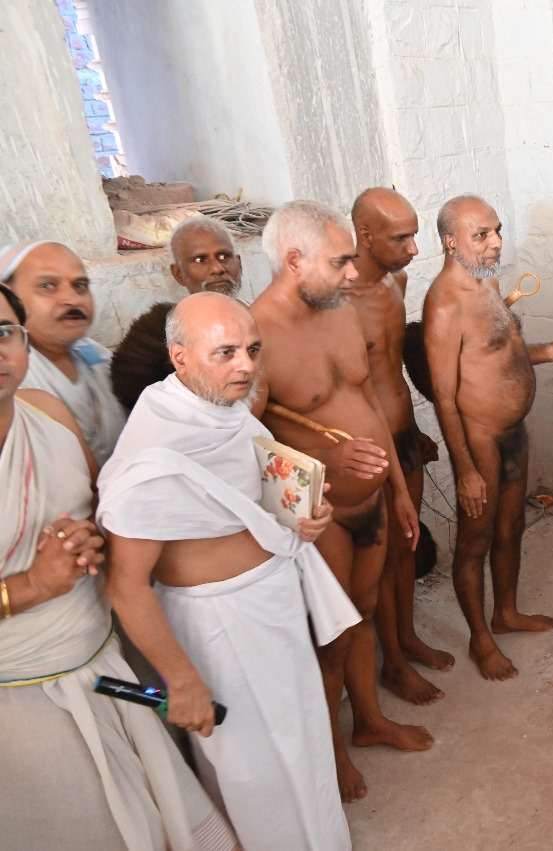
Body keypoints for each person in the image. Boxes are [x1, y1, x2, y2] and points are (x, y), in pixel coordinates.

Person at [100, 292, 355, 850]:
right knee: (252, 767)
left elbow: (256, 498)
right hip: (218, 626)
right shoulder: (151, 455)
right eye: (225, 352)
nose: (245, 365)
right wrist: (181, 680)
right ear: (180, 356)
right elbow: (126, 586)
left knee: (303, 736)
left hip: (274, 603)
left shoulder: (227, 410)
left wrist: (304, 517)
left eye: (252, 349)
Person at [0, 284, 237, 851]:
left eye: (4, 332)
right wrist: (31, 585)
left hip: (102, 666)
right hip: (19, 697)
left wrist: (90, 541)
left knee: (163, 814)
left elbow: (99, 511)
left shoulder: (47, 413)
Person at [251, 200, 430, 803]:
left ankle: (370, 720)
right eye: (339, 262)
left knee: (366, 609)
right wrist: (329, 461)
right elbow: (250, 449)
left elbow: (370, 403)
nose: (352, 273)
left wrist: (398, 490)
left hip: (375, 495)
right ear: (293, 261)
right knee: (330, 633)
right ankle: (330, 754)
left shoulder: (339, 310)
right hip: (320, 514)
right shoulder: (253, 338)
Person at [424, 195, 553, 679]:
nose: (495, 243)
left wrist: (549, 351)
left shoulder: (487, 281)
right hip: (481, 439)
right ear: (450, 242)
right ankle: (480, 639)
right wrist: (466, 470)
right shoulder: (444, 303)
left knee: (512, 526)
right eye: (481, 235)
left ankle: (506, 612)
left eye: (497, 231)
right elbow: (444, 397)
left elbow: (501, 354)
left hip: (514, 431)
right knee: (476, 539)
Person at [348, 187, 452, 705]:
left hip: (404, 430)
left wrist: (415, 428)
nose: (414, 249)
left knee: (409, 543)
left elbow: (391, 368)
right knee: (383, 554)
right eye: (401, 238)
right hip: (371, 443)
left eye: (414, 235)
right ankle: (391, 661)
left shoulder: (398, 281)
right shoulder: (340, 299)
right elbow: (352, 387)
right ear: (365, 235)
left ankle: (407, 637)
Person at [2, 241, 125, 465]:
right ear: (8, 299)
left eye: (80, 285)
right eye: (48, 286)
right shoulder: (10, 377)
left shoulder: (95, 355)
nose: (73, 299)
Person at [111, 216, 246, 411]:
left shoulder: (256, 316)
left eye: (224, 256)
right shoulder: (157, 333)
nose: (217, 268)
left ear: (239, 263)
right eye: (200, 260)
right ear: (178, 274)